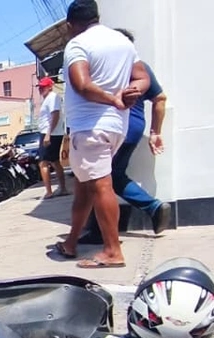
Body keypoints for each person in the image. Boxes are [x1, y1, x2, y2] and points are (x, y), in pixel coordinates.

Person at [54, 0, 151, 269]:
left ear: (70, 24)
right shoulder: (122, 42)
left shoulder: (78, 44)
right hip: (116, 127)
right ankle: (71, 242)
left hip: (91, 126)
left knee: (100, 186)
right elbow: (142, 78)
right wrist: (132, 91)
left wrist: (113, 99)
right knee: (84, 187)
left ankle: (112, 251)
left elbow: (82, 85)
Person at [77, 28, 173, 244]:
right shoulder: (141, 69)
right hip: (134, 128)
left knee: (98, 178)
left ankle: (103, 232)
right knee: (113, 175)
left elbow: (85, 91)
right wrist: (155, 132)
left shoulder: (105, 68)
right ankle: (152, 209)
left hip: (112, 126)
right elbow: (160, 99)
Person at [36, 77, 69, 198]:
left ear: (50, 87)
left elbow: (55, 115)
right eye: (40, 87)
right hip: (52, 132)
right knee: (54, 161)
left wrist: (48, 134)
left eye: (43, 87)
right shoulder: (48, 99)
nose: (41, 89)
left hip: (50, 133)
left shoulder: (52, 98)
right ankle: (63, 189)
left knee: (43, 162)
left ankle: (49, 192)